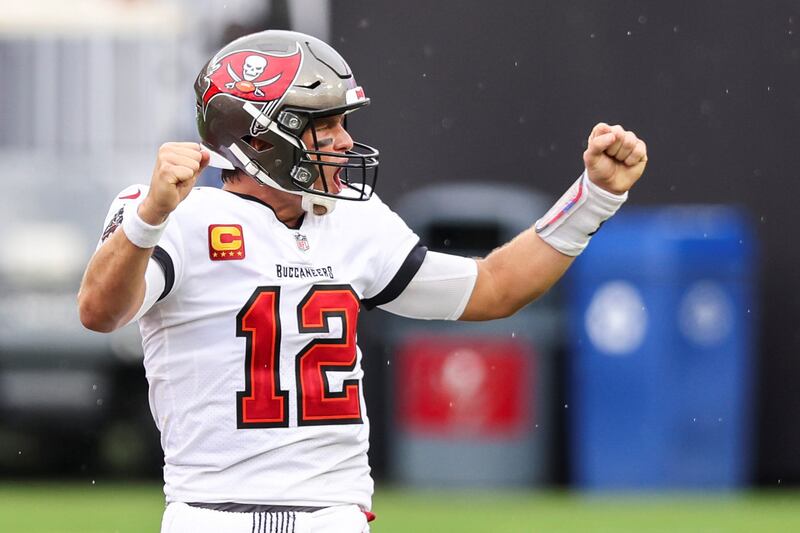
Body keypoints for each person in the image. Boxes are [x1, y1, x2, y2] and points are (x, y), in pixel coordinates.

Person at [78, 30, 647, 533]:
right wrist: (148, 219)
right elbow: (100, 311)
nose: (345, 142)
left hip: (335, 514)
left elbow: (494, 288)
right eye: (323, 124)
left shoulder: (352, 220)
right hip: (212, 513)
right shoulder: (169, 215)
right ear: (257, 138)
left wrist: (593, 198)